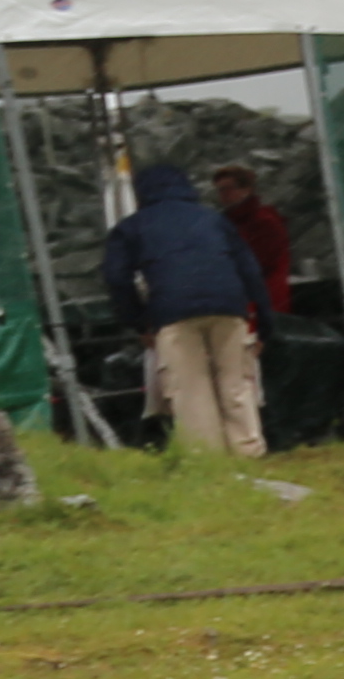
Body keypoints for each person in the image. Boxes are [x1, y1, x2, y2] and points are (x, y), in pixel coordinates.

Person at [103, 158, 270, 459]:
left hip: (173, 312)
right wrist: (265, 327)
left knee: (191, 389)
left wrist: (139, 323)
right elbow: (250, 271)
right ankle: (248, 451)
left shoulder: (132, 227)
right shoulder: (213, 219)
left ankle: (208, 459)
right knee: (235, 382)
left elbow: (117, 278)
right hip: (228, 307)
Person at [206, 163, 295, 318]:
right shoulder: (225, 223)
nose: (223, 194)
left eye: (228, 188)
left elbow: (261, 265)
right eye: (220, 190)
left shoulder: (264, 222)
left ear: (246, 189)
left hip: (261, 303)